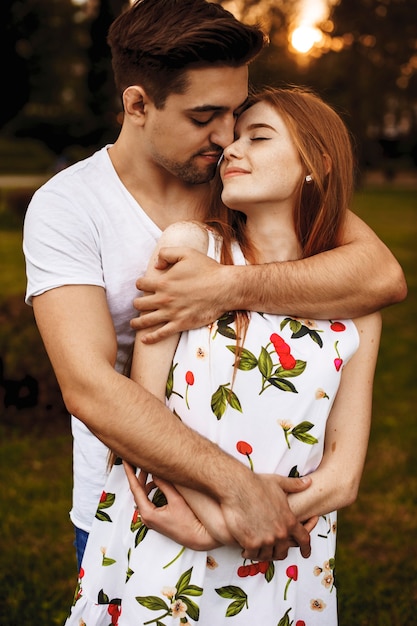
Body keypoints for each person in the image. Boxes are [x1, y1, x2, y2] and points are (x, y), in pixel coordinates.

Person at [23, 0, 405, 571]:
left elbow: (380, 274)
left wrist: (226, 287)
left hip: (278, 501)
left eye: (236, 112)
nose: (227, 137)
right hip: (148, 502)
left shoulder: (240, 182)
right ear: (136, 105)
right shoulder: (68, 206)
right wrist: (236, 490)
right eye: (205, 116)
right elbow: (90, 387)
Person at [64, 86, 382, 626]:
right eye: (234, 140)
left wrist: (234, 526)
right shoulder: (188, 248)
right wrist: (213, 516)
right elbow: (143, 408)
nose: (232, 150)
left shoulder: (355, 302)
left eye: (258, 138)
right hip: (172, 525)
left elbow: (343, 476)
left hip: (285, 546)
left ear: (317, 163)